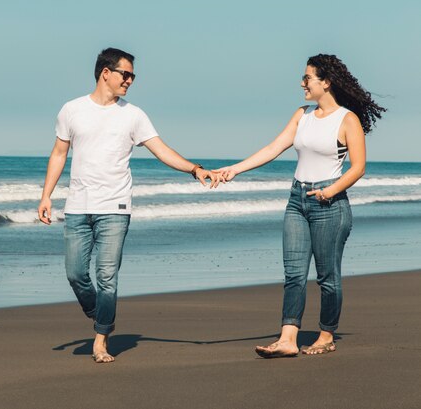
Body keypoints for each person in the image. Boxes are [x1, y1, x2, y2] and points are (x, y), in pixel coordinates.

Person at [38, 47, 222, 363]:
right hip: (77, 207)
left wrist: (194, 168)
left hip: (115, 208)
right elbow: (59, 153)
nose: (130, 81)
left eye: (133, 75)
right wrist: (46, 195)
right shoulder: (72, 110)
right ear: (105, 73)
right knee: (75, 274)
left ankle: (100, 341)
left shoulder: (133, 115)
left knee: (107, 276)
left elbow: (161, 150)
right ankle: (102, 314)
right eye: (126, 74)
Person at [216, 54, 386, 358]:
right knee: (293, 274)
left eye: (307, 78)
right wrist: (234, 170)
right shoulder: (302, 115)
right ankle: (287, 339)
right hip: (297, 201)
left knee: (327, 277)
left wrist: (330, 191)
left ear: (326, 82)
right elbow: (273, 147)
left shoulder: (347, 120)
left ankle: (325, 335)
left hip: (330, 205)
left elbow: (358, 167)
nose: (302, 83)